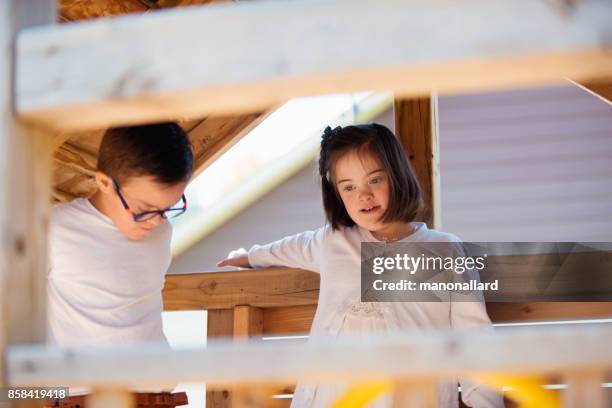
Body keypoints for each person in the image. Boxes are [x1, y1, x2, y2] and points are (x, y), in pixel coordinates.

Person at [217, 124, 505, 407]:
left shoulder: (443, 250)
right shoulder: (334, 241)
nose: (363, 196)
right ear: (337, 195)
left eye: (375, 180)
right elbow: (290, 247)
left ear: (398, 175)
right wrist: (250, 256)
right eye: (349, 187)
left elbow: (475, 339)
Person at [47, 122, 193, 407]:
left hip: (160, 399)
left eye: (168, 209)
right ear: (104, 183)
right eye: (143, 211)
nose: (156, 221)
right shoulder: (53, 229)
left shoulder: (162, 232)